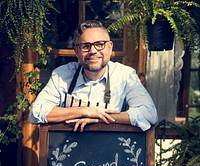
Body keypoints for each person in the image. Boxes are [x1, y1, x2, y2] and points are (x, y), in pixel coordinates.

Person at [30, 20, 158, 131]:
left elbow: (149, 113)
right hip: (67, 151)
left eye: (99, 44)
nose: (93, 51)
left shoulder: (125, 75)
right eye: (86, 46)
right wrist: (84, 111)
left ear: (110, 47)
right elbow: (37, 112)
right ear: (76, 51)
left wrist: (99, 117)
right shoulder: (62, 75)